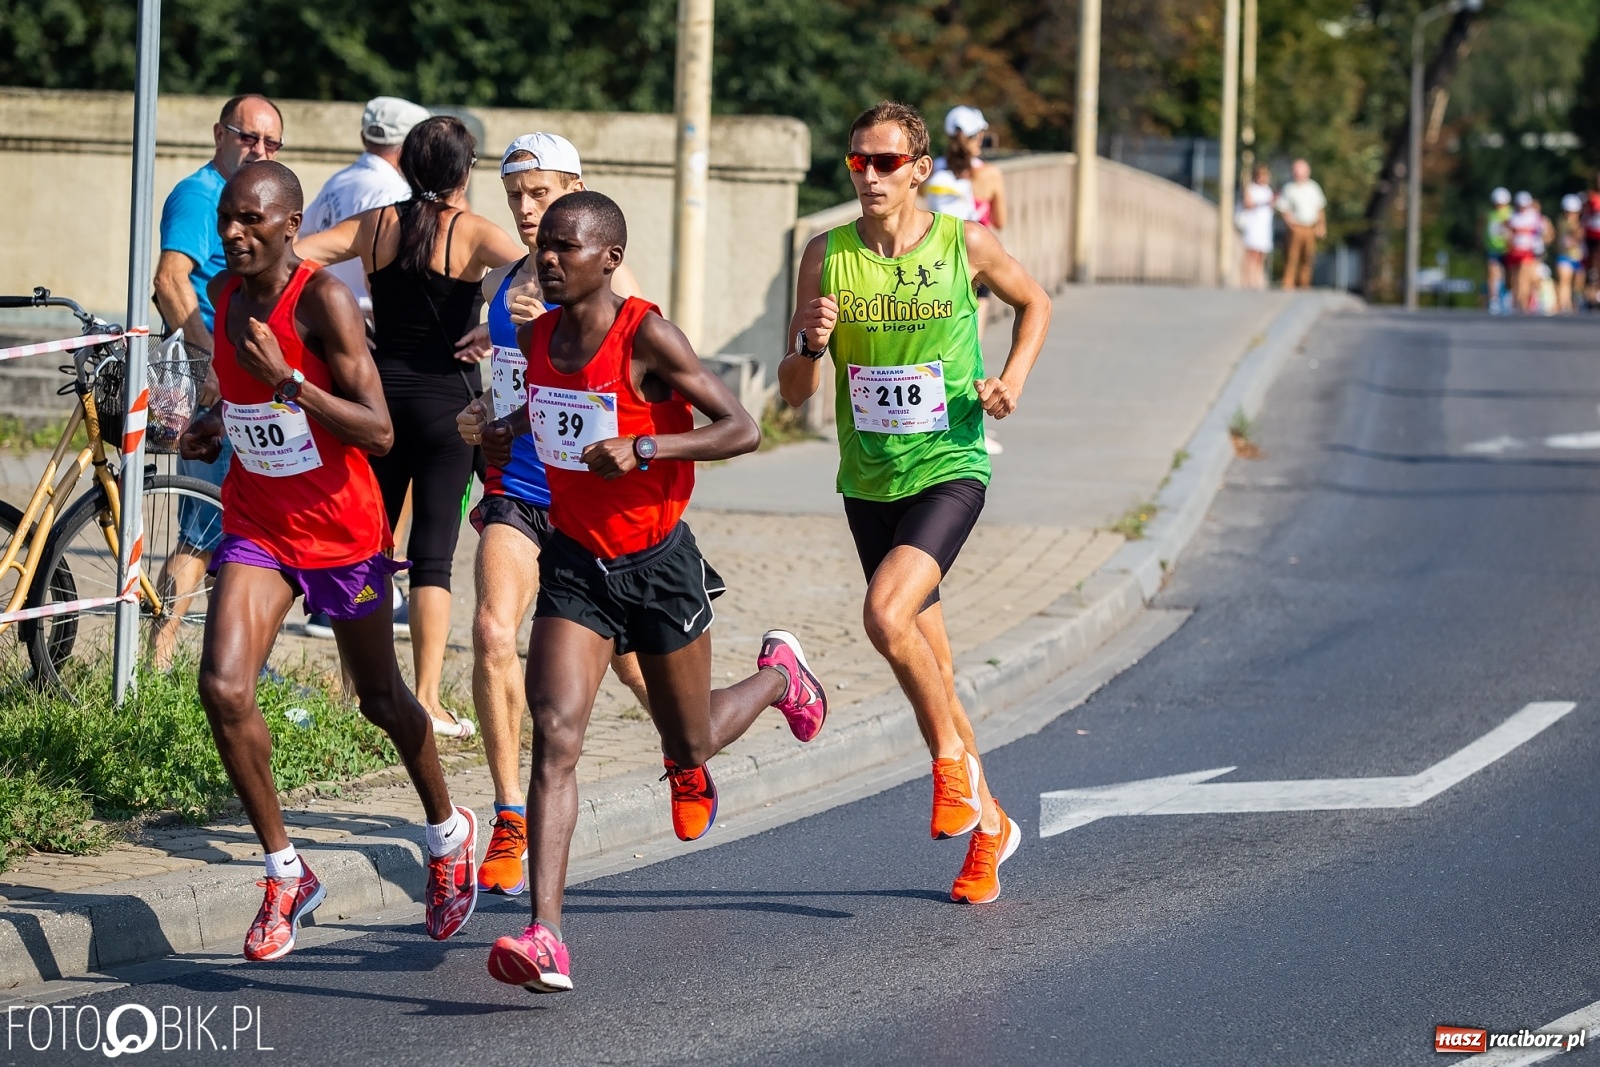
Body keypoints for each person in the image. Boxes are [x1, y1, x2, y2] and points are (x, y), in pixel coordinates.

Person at [461, 190, 830, 993]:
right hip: (576, 562)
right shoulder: (536, 334)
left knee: (689, 741)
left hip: (659, 565)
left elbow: (743, 427)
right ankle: (546, 932)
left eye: (566, 246)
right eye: (544, 246)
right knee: (556, 733)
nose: (548, 258)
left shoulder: (647, 336)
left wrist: (647, 445)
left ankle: (779, 675)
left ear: (610, 259)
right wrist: (504, 429)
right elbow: (549, 409)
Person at [177, 161, 478, 961]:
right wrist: (216, 419)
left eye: (251, 220)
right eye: (227, 221)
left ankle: (447, 834)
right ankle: (285, 870)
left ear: (289, 224)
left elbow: (378, 431)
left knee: (381, 698)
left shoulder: (324, 301)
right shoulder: (224, 297)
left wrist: (290, 385)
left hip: (341, 530)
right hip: (258, 522)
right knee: (223, 685)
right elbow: (242, 396)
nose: (234, 233)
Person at [779, 102, 1051, 906]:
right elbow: (794, 394)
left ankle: (949, 775)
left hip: (950, 465)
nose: (868, 175)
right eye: (857, 161)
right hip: (869, 480)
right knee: (937, 666)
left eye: (885, 162)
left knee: (885, 617)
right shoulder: (823, 257)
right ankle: (991, 827)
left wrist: (1012, 382)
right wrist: (809, 344)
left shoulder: (961, 242)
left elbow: (1035, 303)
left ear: (919, 169)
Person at [451, 132, 654, 897]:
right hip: (515, 486)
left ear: (575, 186)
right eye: (517, 198)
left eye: (542, 194)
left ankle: (684, 746)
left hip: (589, 497)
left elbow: (645, 369)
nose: (528, 211)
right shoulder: (503, 281)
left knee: (633, 662)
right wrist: (481, 413)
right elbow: (505, 387)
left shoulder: (610, 277)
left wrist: (561, 323)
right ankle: (509, 815)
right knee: (493, 631)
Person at [297, 116, 523, 737]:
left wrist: (327, 322)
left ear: (406, 166)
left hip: (377, 401)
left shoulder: (377, 224)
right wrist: (496, 324)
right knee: (432, 555)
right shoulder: (473, 231)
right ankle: (425, 696)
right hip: (448, 405)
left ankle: (361, 692)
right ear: (465, 171)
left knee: (365, 548)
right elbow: (540, 270)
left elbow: (296, 253)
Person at [150, 94, 284, 666]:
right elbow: (169, 280)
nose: (259, 150)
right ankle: (158, 656)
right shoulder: (201, 196)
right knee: (203, 525)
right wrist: (209, 364)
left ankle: (224, 657)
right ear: (218, 134)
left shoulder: (234, 201)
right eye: (247, 137)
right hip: (214, 386)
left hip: (240, 386)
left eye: (271, 144)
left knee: (231, 528)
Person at [298, 95, 429, 639]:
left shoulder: (337, 184)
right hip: (367, 339)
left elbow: (304, 249)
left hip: (328, 339)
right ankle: (367, 588)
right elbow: (386, 275)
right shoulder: (393, 194)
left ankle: (338, 591)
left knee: (347, 468)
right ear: (408, 146)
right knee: (391, 465)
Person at [924, 105, 1008, 456]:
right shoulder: (988, 175)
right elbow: (999, 221)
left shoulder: (926, 172)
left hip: (932, 268)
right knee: (969, 351)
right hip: (974, 268)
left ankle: (922, 421)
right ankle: (969, 429)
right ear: (976, 139)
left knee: (930, 349)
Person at [1276, 158, 1327, 290]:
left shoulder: (1313, 187)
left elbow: (1319, 208)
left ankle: (1304, 283)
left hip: (1309, 226)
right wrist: (1289, 223)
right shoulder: (1289, 188)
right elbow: (1283, 207)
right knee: (1291, 256)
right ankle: (1288, 282)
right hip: (1295, 226)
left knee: (1308, 256)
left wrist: (1321, 225)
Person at [1239, 164, 1275, 290]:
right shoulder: (1251, 189)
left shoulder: (1268, 190)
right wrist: (1263, 203)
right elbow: (1248, 204)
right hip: (1253, 224)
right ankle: (1247, 279)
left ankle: (1257, 279)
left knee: (1260, 254)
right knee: (1251, 253)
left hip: (1264, 226)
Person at [1506, 191, 1544, 313]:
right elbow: (1507, 231)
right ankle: (1516, 298)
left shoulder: (1534, 216)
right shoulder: (1512, 215)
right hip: (1514, 250)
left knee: (1524, 276)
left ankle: (1522, 302)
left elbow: (1542, 232)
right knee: (1514, 277)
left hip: (1528, 251)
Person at [1556, 193, 1584, 314]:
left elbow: (1579, 236)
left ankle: (1576, 301)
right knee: (1564, 279)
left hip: (1578, 257)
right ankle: (1564, 304)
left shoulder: (1580, 223)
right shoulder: (1560, 221)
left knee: (1577, 283)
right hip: (1564, 255)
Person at [1485, 187, 1512, 313]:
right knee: (1492, 273)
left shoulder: (1511, 213)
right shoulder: (1490, 214)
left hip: (1507, 249)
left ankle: (1507, 297)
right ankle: (1493, 300)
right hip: (1493, 249)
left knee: (1508, 275)